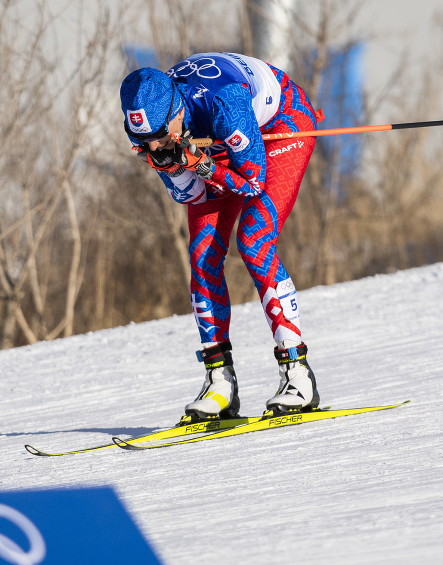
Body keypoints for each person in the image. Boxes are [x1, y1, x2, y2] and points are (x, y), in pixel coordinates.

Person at [120, 52, 322, 421]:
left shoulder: (223, 102)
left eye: (159, 137)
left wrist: (199, 163)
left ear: (177, 114)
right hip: (216, 143)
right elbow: (190, 196)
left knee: (254, 239)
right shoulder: (158, 127)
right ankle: (220, 383)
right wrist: (174, 164)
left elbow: (252, 182)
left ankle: (298, 374)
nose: (153, 147)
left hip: (280, 128)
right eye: (141, 140)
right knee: (202, 255)